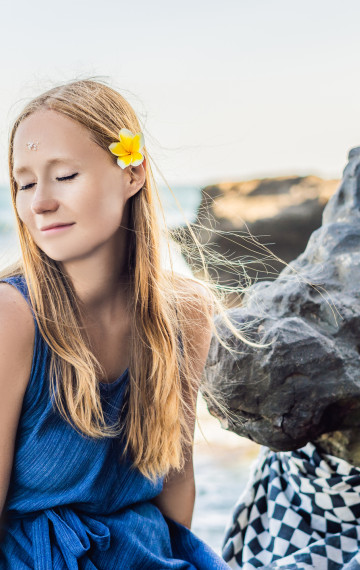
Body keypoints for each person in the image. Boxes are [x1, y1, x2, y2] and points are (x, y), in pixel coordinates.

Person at [0, 77, 249, 569]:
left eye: (64, 175)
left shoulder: (187, 313)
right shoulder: (13, 317)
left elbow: (176, 483)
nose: (40, 202)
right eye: (25, 183)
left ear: (131, 174)